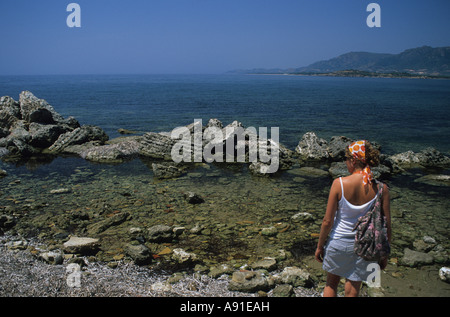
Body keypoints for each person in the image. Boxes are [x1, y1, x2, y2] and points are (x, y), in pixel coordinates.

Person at [315, 140, 391, 297]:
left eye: (346, 158)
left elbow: (327, 221)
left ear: (353, 160)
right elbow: (387, 226)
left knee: (331, 284)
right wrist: (384, 254)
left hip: (339, 242)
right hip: (366, 246)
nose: (345, 162)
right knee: (353, 286)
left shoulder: (339, 184)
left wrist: (320, 246)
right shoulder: (382, 189)